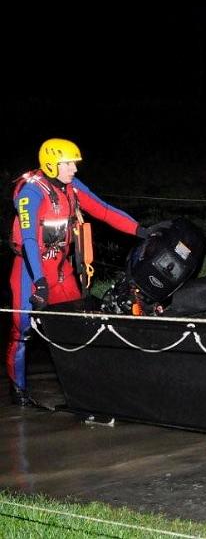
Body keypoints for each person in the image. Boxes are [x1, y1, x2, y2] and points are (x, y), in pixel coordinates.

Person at [7, 138, 146, 406]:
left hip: (60, 269)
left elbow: (103, 210)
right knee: (21, 330)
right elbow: (29, 241)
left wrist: (139, 230)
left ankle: (86, 386)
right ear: (51, 165)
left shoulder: (71, 187)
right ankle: (18, 390)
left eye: (74, 163)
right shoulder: (31, 193)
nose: (74, 169)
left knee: (80, 324)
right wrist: (40, 282)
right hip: (30, 269)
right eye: (68, 163)